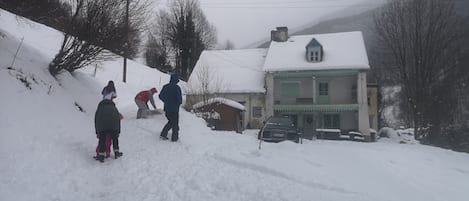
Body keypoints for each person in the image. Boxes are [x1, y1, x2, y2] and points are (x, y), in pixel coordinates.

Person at [94, 96, 123, 162]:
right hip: (114, 125)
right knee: (115, 139)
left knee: (102, 140)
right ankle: (116, 153)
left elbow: (96, 120)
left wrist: (97, 131)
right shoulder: (114, 108)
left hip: (103, 126)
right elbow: (118, 119)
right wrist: (118, 131)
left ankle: (101, 156)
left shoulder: (100, 108)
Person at [159, 74, 182, 142]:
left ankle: (163, 134)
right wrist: (178, 103)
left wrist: (166, 101)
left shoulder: (165, 86)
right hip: (174, 109)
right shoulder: (177, 88)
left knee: (171, 122)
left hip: (167, 108)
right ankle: (174, 139)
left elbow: (160, 96)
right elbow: (179, 99)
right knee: (174, 123)